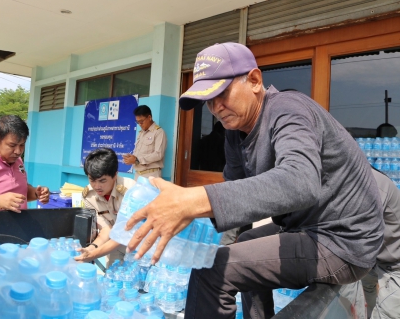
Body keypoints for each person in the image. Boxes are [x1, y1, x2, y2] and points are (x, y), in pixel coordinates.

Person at [123, 42, 384, 319]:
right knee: (242, 241)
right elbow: (234, 201)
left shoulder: (289, 110)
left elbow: (300, 182)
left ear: (255, 80)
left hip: (344, 240)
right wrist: (183, 225)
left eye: (221, 93)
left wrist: (196, 200)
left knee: (212, 270)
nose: (216, 107)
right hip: (306, 229)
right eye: (208, 101)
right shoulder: (234, 134)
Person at [76, 148, 136, 268]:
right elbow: (106, 228)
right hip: (113, 247)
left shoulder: (131, 192)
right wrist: (91, 249)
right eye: (92, 180)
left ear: (115, 175)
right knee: (111, 278)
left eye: (102, 181)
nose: (97, 186)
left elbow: (126, 233)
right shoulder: (89, 195)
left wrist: (94, 255)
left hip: (138, 247)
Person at [361, 168, 400, 319]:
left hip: (395, 266)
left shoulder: (370, 184)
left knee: (386, 313)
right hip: (376, 261)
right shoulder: (357, 176)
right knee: (369, 309)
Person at [122, 105, 167, 180]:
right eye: (137, 122)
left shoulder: (159, 132)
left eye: (141, 121)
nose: (140, 124)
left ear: (149, 117)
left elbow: (158, 154)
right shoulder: (141, 133)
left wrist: (137, 160)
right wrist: (132, 157)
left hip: (151, 175)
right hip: (138, 175)